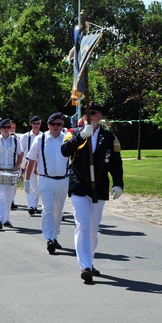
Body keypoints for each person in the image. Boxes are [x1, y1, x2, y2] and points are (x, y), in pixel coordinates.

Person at [60, 102, 124, 283]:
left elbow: (116, 163)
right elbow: (65, 151)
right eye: (86, 112)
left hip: (99, 187)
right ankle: (85, 266)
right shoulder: (73, 132)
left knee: (93, 229)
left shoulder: (109, 137)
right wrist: (81, 137)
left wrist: (118, 184)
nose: (89, 115)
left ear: (100, 117)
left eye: (93, 112)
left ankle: (89, 259)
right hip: (79, 185)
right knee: (83, 225)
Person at [24, 112, 69, 255]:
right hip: (45, 180)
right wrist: (27, 180)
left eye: (59, 124)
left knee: (58, 211)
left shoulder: (67, 139)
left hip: (63, 180)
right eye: (53, 124)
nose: (56, 127)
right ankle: (49, 238)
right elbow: (31, 160)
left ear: (62, 125)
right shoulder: (40, 139)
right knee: (48, 209)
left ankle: (54, 236)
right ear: (48, 125)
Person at [0, 118, 24, 230]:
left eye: (8, 127)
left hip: (12, 171)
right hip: (0, 171)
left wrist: (17, 166)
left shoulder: (15, 140)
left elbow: (21, 155)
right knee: (0, 195)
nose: (6, 129)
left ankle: (6, 219)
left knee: (9, 197)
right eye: (4, 127)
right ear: (0, 128)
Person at [21, 116, 43, 215]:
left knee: (37, 186)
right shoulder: (25, 137)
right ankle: (31, 206)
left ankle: (34, 205)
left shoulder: (43, 136)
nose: (36, 125)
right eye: (34, 123)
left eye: (38, 124)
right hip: (29, 163)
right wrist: (22, 165)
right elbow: (22, 152)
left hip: (40, 164)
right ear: (31, 124)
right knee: (29, 185)